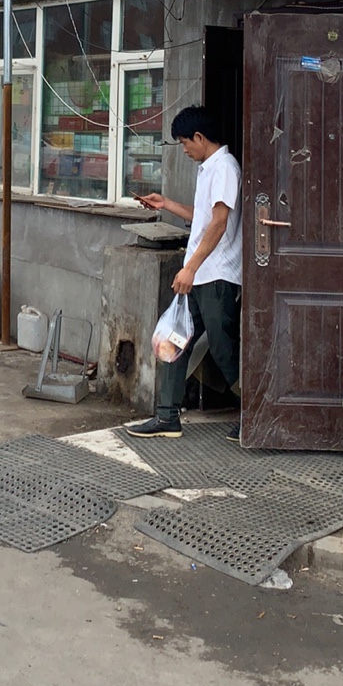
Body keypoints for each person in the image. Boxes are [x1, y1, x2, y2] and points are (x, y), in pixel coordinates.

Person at [127, 105, 242, 440]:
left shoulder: (225, 168)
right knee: (173, 340)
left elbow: (219, 224)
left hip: (216, 275)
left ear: (199, 137)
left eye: (184, 143)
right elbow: (203, 215)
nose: (185, 150)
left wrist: (189, 268)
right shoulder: (208, 169)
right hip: (198, 274)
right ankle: (167, 416)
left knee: (224, 350)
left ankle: (256, 412)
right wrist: (166, 205)